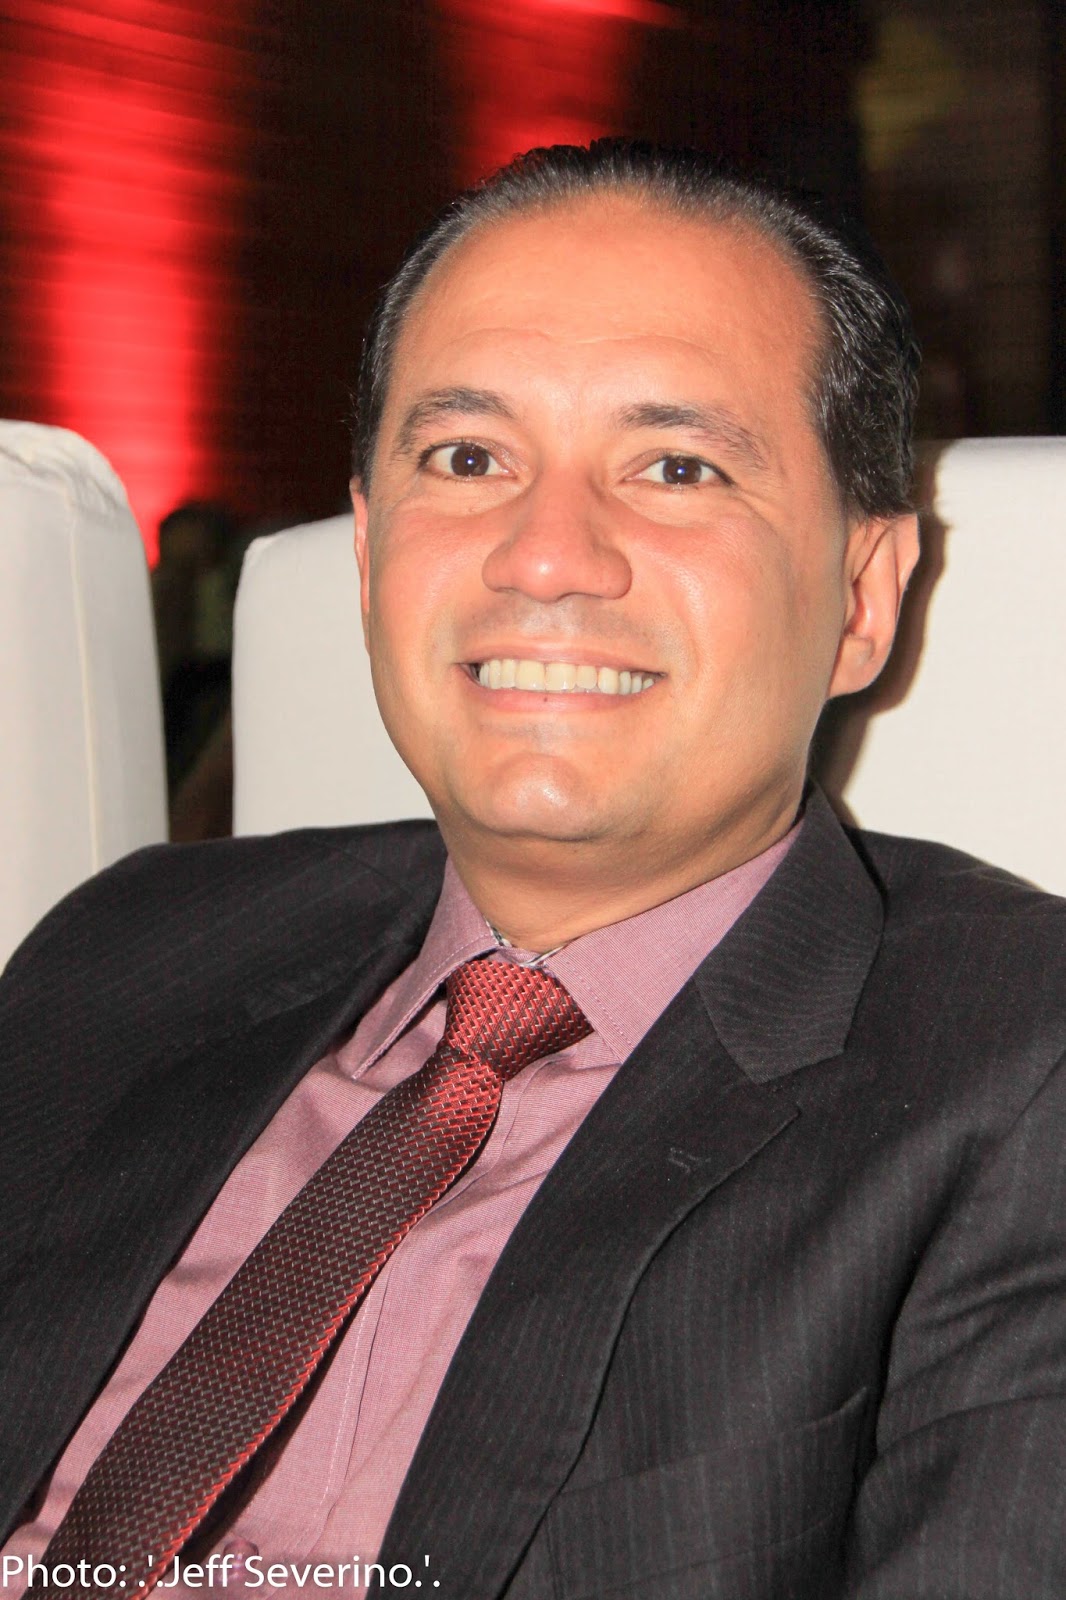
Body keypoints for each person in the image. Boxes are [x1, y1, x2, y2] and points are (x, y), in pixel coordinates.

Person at [1, 141, 1064, 1600]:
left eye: (676, 467)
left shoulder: (1016, 1067)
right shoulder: (131, 942)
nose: (545, 555)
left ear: (861, 598)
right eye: (467, 459)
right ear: (368, 554)